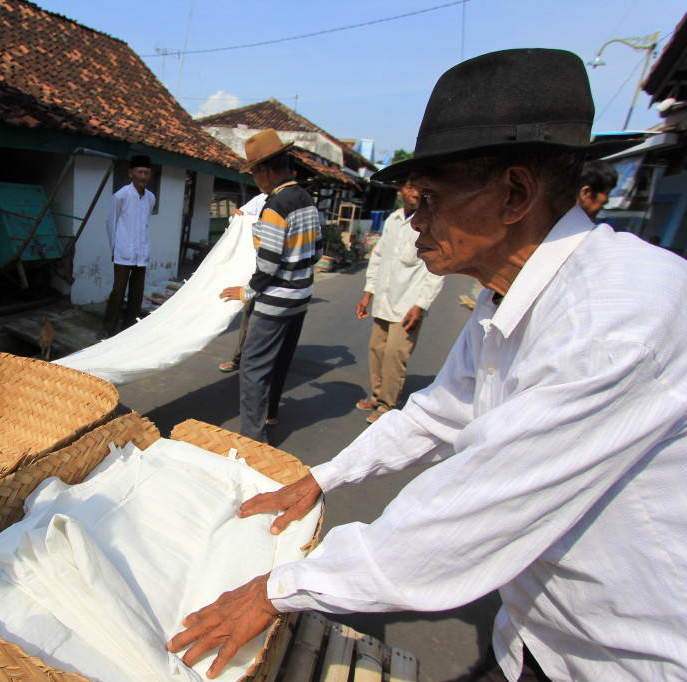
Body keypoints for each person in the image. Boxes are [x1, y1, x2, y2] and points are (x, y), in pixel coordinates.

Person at [170, 49, 686, 682]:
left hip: (626, 661)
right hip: (537, 636)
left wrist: (277, 589)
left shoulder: (617, 316)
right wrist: (323, 478)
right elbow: (437, 416)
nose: (412, 226)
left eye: (426, 204)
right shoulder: (507, 298)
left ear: (515, 194)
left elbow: (476, 504)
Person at [219, 130, 321, 442]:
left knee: (252, 367)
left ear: (264, 170)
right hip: (300, 298)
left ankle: (253, 439)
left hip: (275, 303)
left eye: (253, 173)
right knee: (280, 361)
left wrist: (245, 293)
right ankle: (271, 412)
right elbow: (317, 251)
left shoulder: (276, 206)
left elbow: (268, 263)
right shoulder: (306, 200)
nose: (254, 181)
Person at [355, 179, 443, 423]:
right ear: (402, 191)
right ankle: (376, 395)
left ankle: (386, 404)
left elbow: (435, 267)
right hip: (384, 300)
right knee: (377, 350)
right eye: (411, 188)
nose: (416, 194)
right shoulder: (393, 220)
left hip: (408, 305)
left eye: (420, 189)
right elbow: (378, 256)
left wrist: (421, 304)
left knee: (395, 354)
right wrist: (367, 293)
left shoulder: (430, 222)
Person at [102, 155, 155, 338]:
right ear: (131, 173)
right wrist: (114, 248)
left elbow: (144, 223)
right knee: (118, 290)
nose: (143, 176)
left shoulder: (150, 198)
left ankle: (129, 329)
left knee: (137, 293)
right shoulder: (121, 196)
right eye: (139, 172)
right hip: (123, 252)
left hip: (142, 252)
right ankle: (107, 329)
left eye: (146, 172)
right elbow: (111, 223)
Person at [217, 191, 267, 374]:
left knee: (269, 321)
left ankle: (262, 362)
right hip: (257, 268)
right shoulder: (260, 199)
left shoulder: (291, 203)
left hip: (278, 273)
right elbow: (237, 218)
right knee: (249, 315)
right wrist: (237, 216)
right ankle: (239, 357)